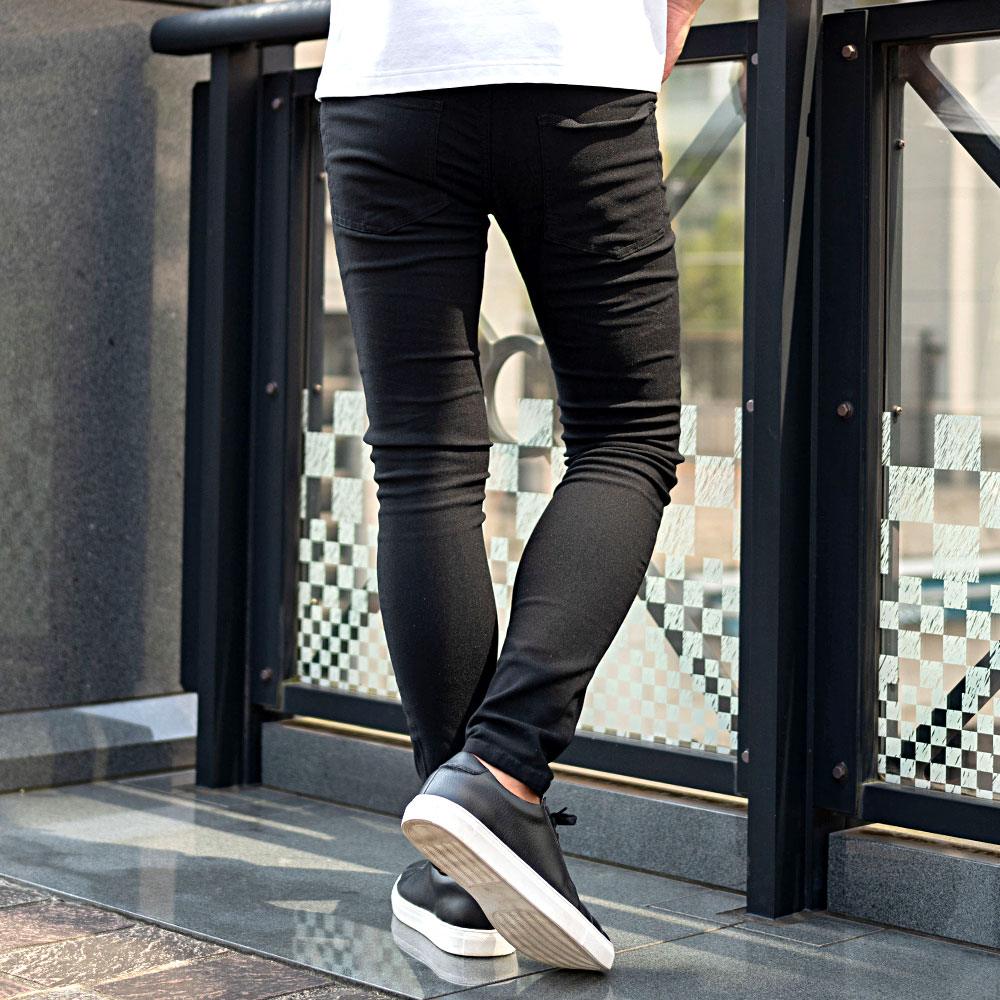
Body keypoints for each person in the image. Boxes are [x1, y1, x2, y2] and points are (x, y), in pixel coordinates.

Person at [315, 0, 704, 973]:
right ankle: (502, 765)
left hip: (382, 78)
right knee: (626, 435)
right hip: (572, 64)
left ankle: (461, 873)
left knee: (422, 462)